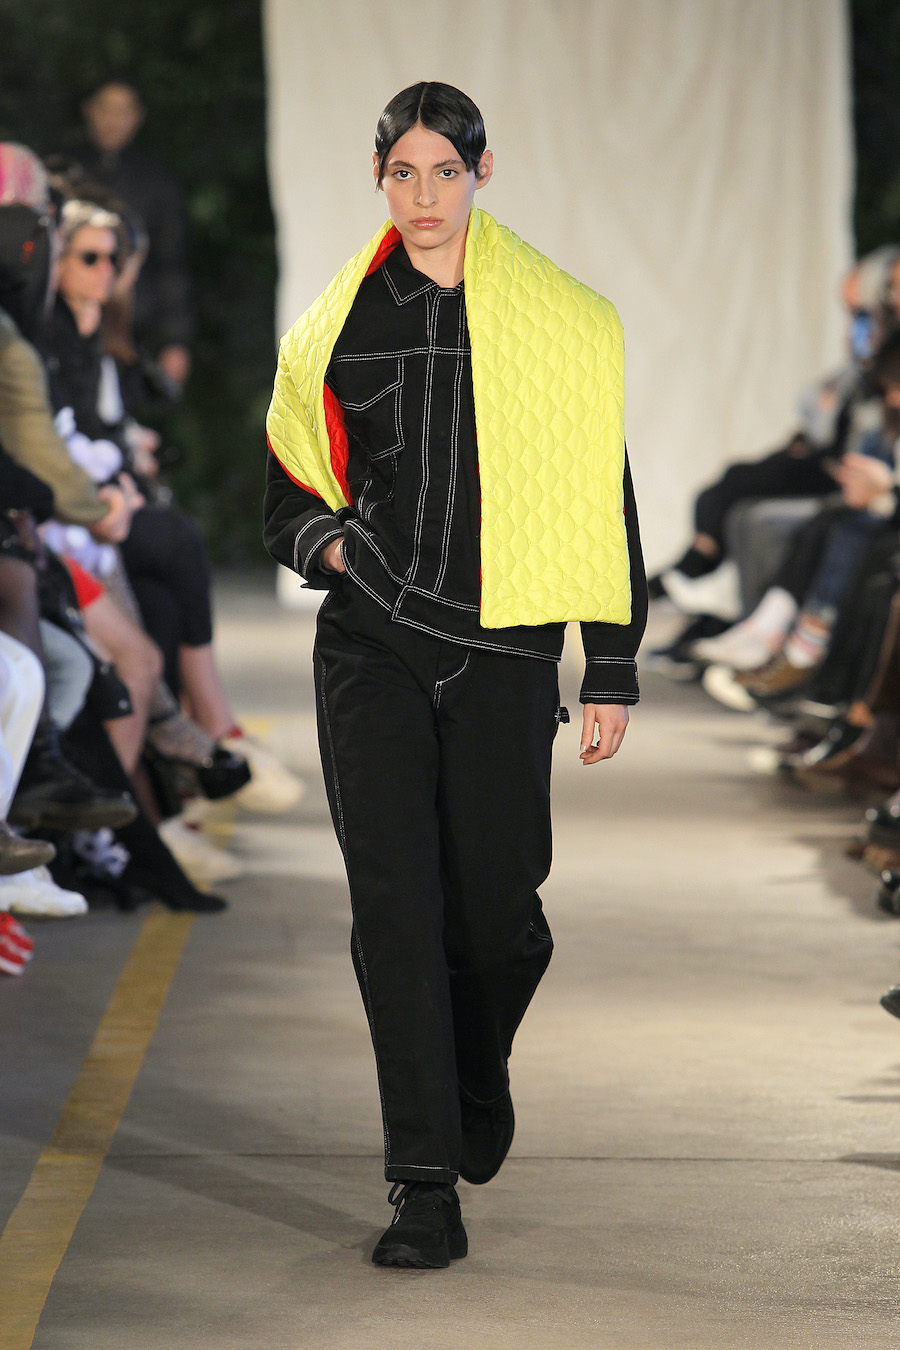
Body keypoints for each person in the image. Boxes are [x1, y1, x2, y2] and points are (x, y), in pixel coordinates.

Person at [264, 82, 646, 1269]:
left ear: (484, 171)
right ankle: (422, 1185)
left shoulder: (561, 320)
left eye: (444, 171)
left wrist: (612, 663)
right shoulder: (336, 326)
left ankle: (477, 1065)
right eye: (403, 173)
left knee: (497, 916)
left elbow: (601, 493)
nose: (424, 196)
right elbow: (289, 485)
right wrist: (329, 549)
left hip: (507, 651)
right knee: (396, 910)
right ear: (379, 178)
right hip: (373, 643)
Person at [73, 80, 193, 389]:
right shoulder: (66, 173)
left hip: (132, 330)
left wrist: (175, 339)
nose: (114, 120)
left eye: (124, 110)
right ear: (89, 110)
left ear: (138, 116)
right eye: (106, 108)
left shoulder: (157, 182)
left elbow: (171, 263)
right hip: (69, 322)